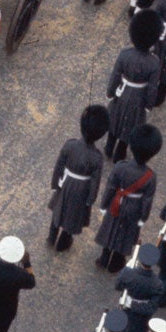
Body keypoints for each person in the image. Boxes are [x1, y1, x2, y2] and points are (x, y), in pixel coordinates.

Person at [47, 106, 109, 252]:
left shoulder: (70, 145)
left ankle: (51, 237)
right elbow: (95, 181)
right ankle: (63, 242)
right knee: (73, 216)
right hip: (82, 189)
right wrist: (90, 199)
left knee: (58, 209)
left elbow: (59, 166)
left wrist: (56, 183)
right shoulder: (97, 157)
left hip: (65, 182)